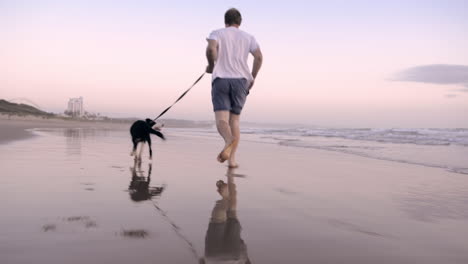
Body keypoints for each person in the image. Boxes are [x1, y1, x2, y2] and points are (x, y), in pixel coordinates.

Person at [206, 8, 263, 168]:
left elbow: (211, 49)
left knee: (222, 120)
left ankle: (228, 140)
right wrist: (253, 77)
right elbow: (259, 57)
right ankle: (232, 161)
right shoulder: (248, 37)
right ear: (240, 22)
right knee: (235, 121)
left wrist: (211, 66)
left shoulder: (216, 33)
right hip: (241, 81)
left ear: (225, 21)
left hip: (221, 80)